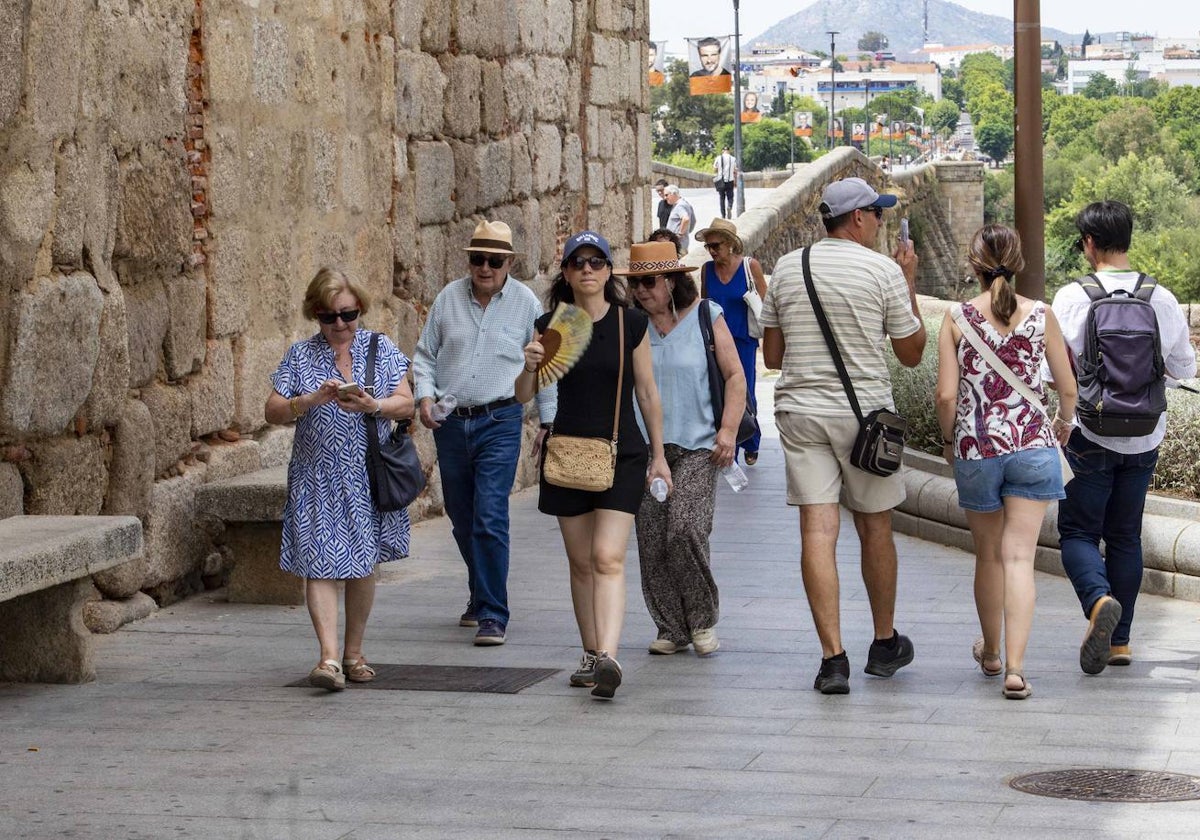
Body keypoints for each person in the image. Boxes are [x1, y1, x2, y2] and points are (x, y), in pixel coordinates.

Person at [760, 177, 926, 695]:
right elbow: (912, 353)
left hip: (801, 413)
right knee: (875, 528)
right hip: (865, 422)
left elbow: (771, 357)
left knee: (817, 532)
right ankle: (883, 642)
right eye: (876, 214)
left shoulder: (788, 267)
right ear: (857, 218)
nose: (879, 222)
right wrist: (909, 281)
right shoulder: (884, 271)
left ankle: (832, 659)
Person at [515, 231, 672, 700]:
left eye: (597, 261)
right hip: (568, 453)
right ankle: (590, 654)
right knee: (581, 563)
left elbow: (646, 393)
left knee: (607, 557)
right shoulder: (555, 325)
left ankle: (608, 656)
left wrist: (659, 456)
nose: (588, 269)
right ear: (565, 273)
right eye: (578, 262)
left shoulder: (631, 324)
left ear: (608, 271)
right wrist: (529, 364)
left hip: (622, 452)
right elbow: (524, 395)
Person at [1048, 200, 1197, 674]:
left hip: (1088, 432)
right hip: (1145, 435)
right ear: (1128, 239)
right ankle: (1121, 643)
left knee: (1076, 531)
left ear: (1089, 243)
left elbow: (1054, 372)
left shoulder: (1073, 298)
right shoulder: (1162, 298)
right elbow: (1183, 370)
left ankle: (1097, 602)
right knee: (1126, 535)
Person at [935, 225, 1077, 700]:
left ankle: (991, 653)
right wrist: (1063, 423)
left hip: (977, 450)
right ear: (1018, 265)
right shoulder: (1042, 315)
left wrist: (949, 439)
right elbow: (1068, 387)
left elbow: (945, 395)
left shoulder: (955, 318)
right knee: (1020, 558)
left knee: (989, 555)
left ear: (974, 266)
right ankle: (1016, 670)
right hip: (1033, 447)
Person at [265, 267, 415, 691]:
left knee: (362, 564)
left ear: (360, 310)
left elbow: (406, 404)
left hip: (365, 473)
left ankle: (354, 652)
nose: (340, 325)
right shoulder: (300, 355)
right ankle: (328, 658)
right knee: (319, 562)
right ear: (316, 314)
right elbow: (272, 410)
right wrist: (309, 400)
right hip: (316, 475)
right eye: (329, 317)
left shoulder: (380, 349)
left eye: (347, 315)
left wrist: (373, 405)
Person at [413, 220, 557, 647]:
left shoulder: (527, 304)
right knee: (461, 516)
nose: (485, 267)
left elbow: (544, 365)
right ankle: (480, 593)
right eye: (478, 259)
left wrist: (548, 422)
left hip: (501, 419)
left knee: (490, 514)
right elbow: (424, 355)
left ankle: (494, 612)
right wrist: (423, 397)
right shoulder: (447, 298)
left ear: (509, 262)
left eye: (494, 260)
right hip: (451, 422)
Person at [619, 241, 746, 657]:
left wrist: (727, 431)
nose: (641, 290)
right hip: (645, 449)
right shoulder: (632, 325)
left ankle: (702, 620)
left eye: (649, 281)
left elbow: (735, 377)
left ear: (672, 281)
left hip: (697, 448)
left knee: (686, 531)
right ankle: (671, 626)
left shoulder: (707, 316)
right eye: (635, 283)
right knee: (652, 540)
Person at [695, 218, 766, 465]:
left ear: (730, 244)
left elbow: (766, 305)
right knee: (720, 391)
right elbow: (704, 304)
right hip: (716, 341)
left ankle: (752, 439)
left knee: (746, 392)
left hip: (743, 339)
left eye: (716, 245)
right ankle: (731, 446)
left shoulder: (750, 266)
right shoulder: (706, 270)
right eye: (708, 246)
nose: (712, 251)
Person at [712, 147, 739, 219]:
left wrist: (719, 170)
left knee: (722, 198)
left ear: (722, 151)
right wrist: (735, 181)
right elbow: (735, 170)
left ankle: (723, 215)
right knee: (730, 196)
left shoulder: (718, 158)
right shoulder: (733, 159)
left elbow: (714, 169)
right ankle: (729, 206)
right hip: (730, 180)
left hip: (721, 180)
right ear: (729, 151)